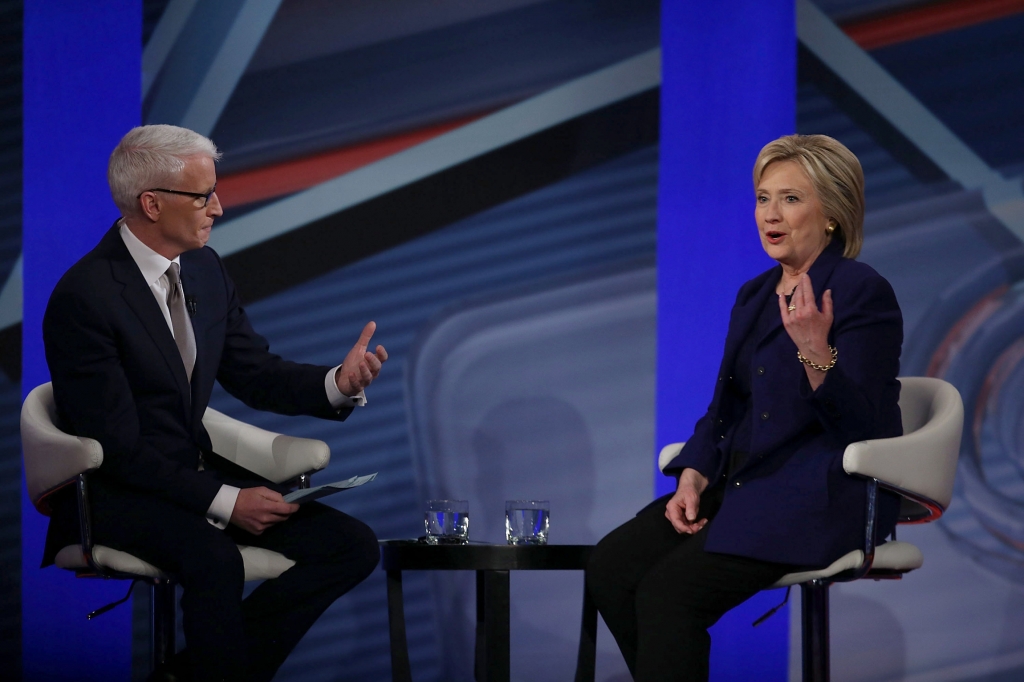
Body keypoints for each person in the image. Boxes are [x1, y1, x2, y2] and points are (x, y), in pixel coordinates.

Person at [41, 125, 390, 682]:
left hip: (189, 478)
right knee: (214, 556)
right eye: (203, 196)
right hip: (115, 492)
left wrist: (337, 385)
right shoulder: (85, 297)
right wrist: (226, 501)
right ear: (151, 204)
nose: (219, 209)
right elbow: (118, 449)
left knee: (350, 545)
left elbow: (254, 373)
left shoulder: (204, 269)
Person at [585, 134, 903, 681]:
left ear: (832, 214)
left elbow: (868, 430)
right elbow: (725, 407)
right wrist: (694, 471)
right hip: (740, 489)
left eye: (791, 199)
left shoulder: (860, 291)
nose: (770, 215)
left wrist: (815, 353)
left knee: (670, 593)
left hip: (819, 496)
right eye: (762, 198)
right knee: (611, 567)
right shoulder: (755, 295)